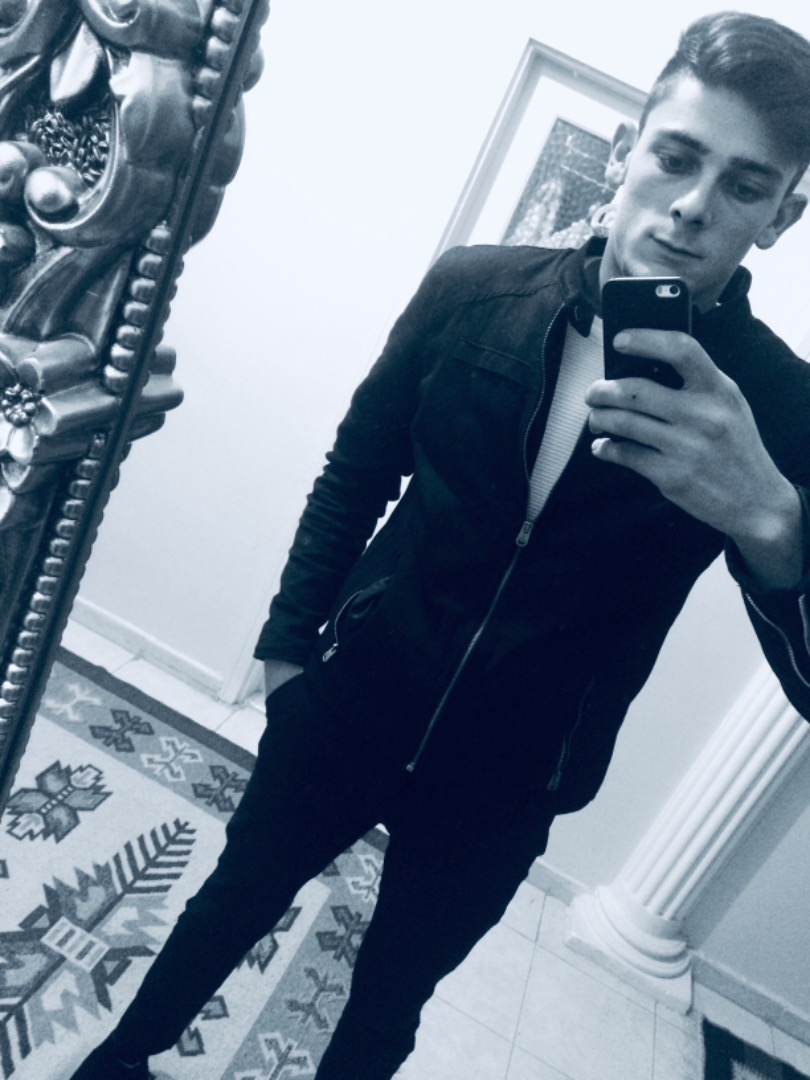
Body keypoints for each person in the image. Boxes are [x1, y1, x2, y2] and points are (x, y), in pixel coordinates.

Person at [70, 11, 810, 1080]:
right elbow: (355, 474)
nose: (694, 205)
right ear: (626, 149)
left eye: (744, 185)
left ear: (783, 215)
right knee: (226, 908)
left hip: (510, 781)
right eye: (677, 156)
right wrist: (287, 655)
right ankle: (115, 1062)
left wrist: (774, 523)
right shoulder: (472, 288)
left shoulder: (778, 408)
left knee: (387, 1005)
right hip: (351, 699)